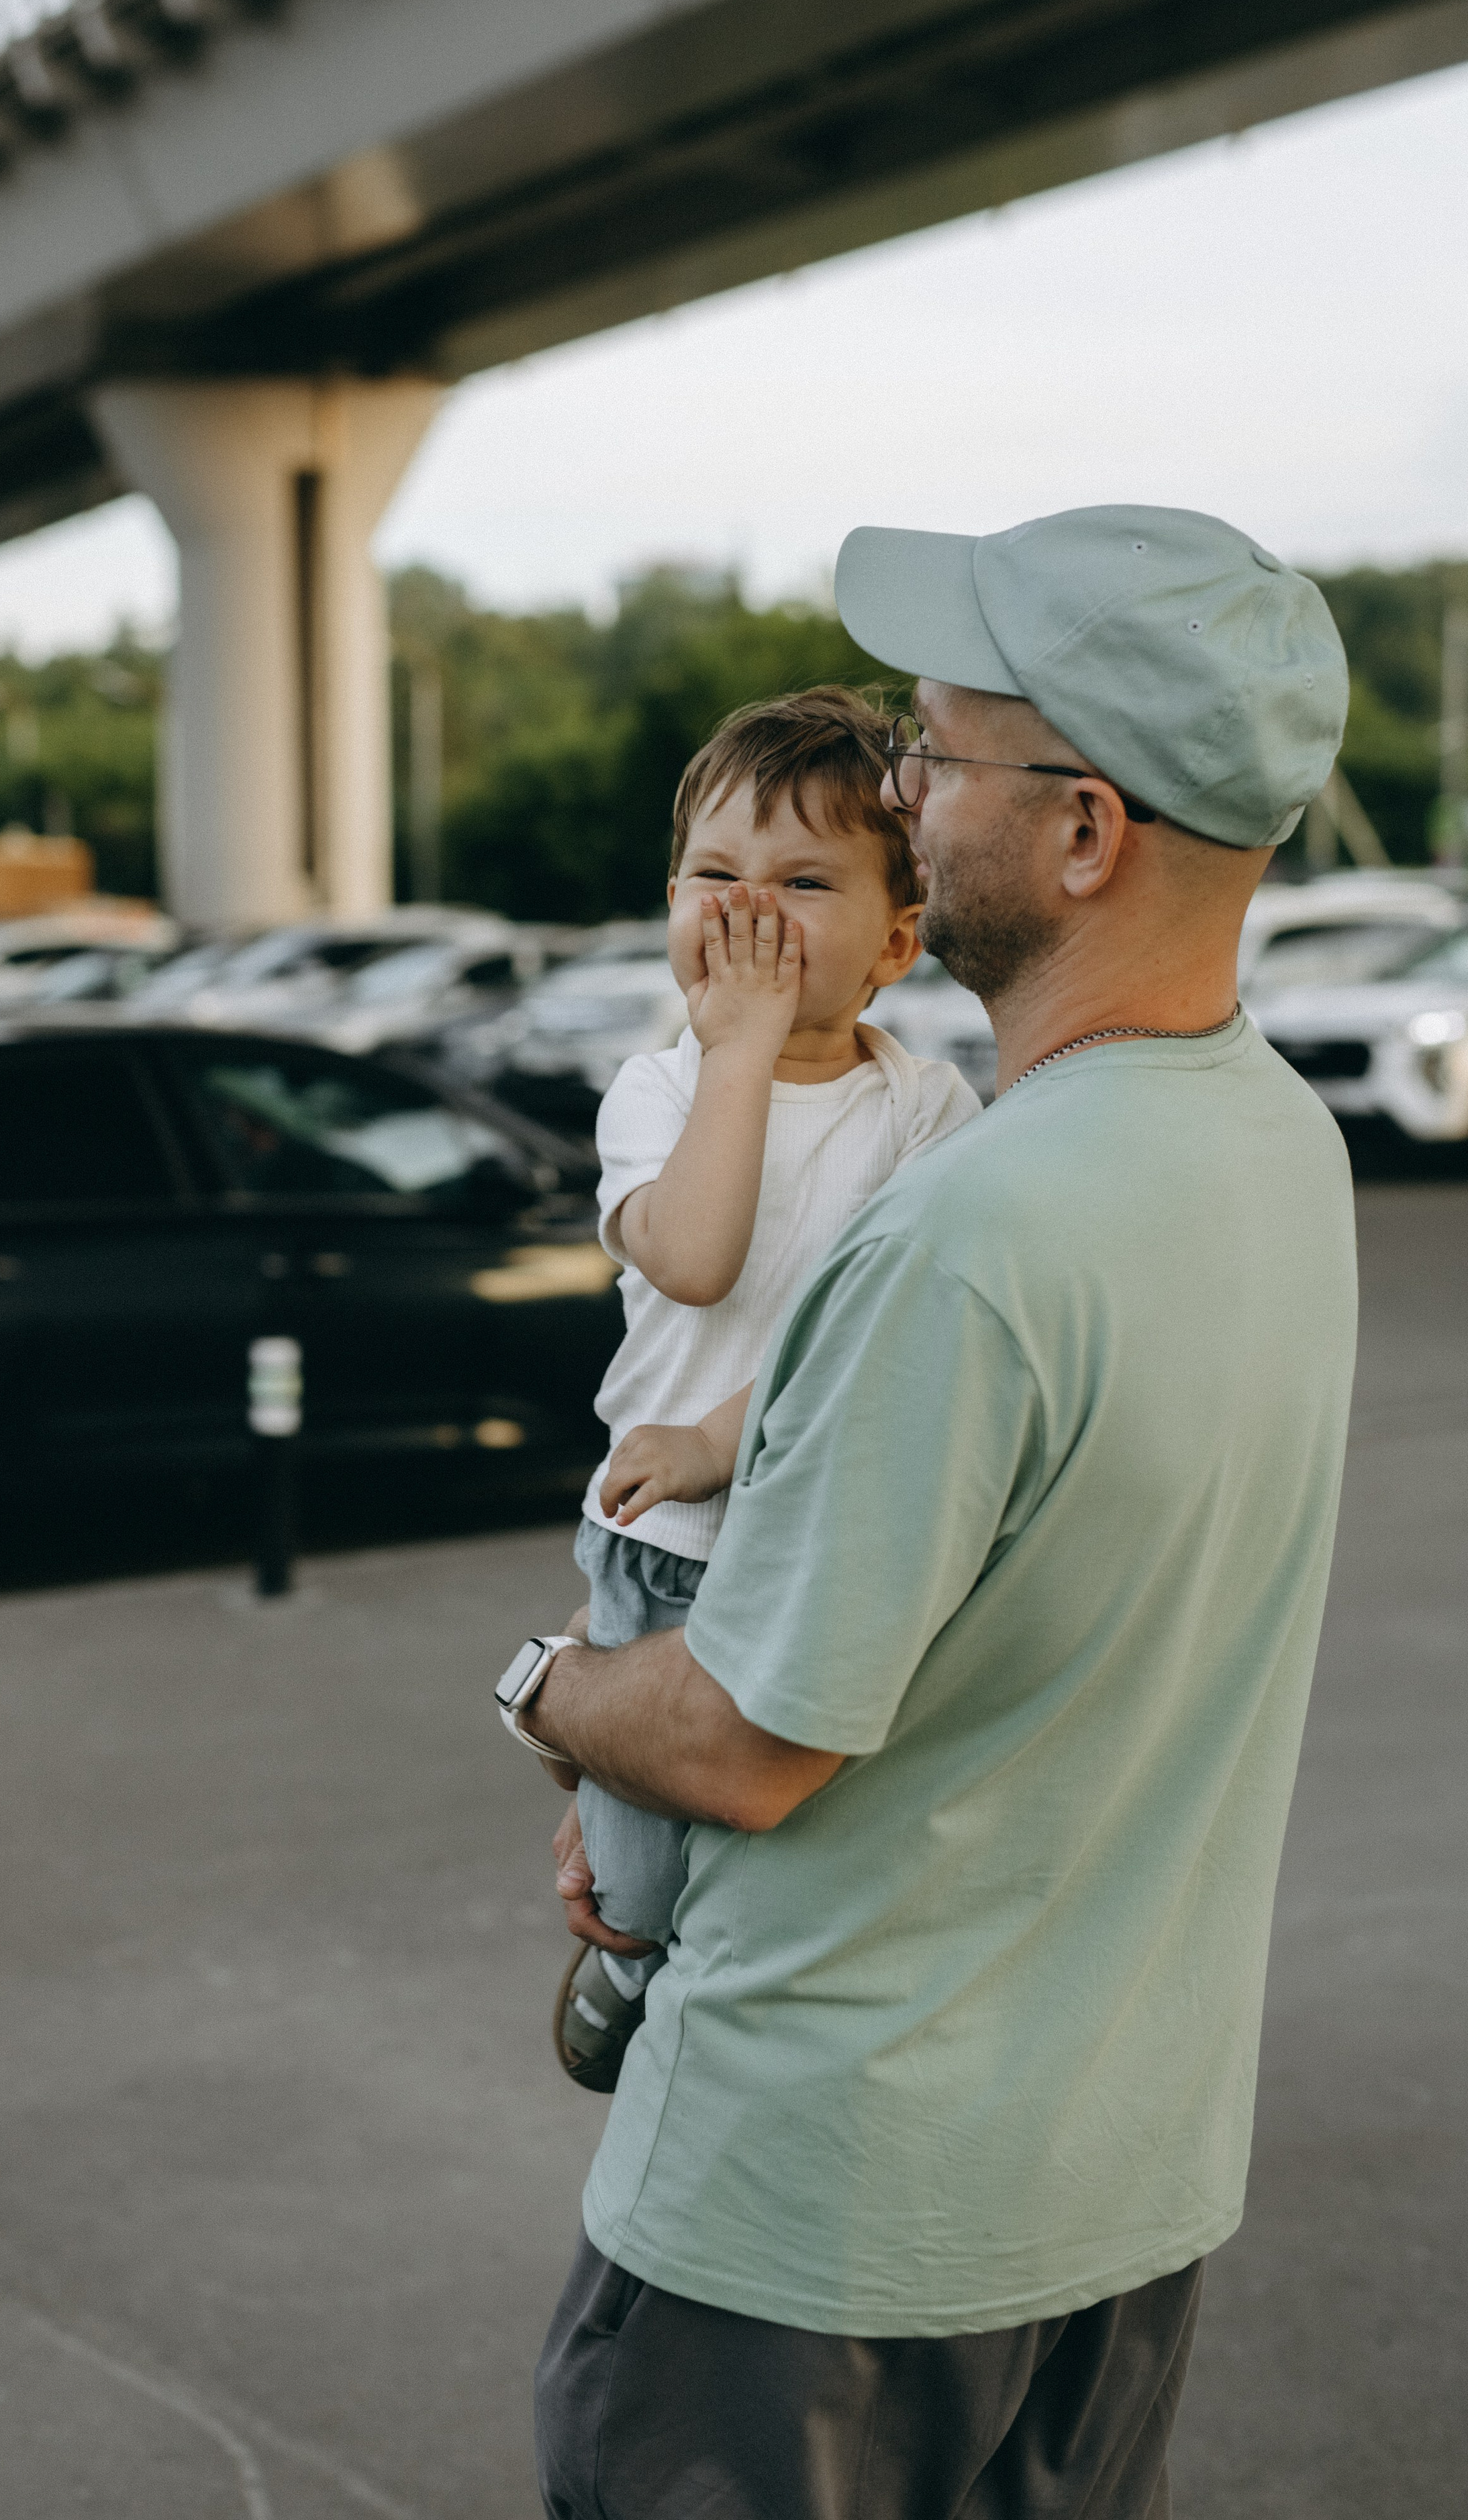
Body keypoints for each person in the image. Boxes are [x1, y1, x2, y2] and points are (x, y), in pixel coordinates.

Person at [499, 506, 1359, 2519]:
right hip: (1114, 2194)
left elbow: (738, 1739)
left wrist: (546, 1681)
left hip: (819, 2236)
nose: (898, 789)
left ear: (1084, 835)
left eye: (936, 758)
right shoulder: (1275, 1150)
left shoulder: (965, 1234)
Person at [550, 687, 979, 2093]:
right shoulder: (656, 1092)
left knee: (791, 1848)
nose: (748, 913)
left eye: (802, 883)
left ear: (896, 942)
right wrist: (739, 1053)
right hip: (661, 1551)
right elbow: (694, 1254)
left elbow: (869, 1338)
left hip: (817, 1539)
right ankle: (622, 1956)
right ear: (668, 904)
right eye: (714, 878)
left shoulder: (920, 1112)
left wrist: (721, 1441)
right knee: (642, 1871)